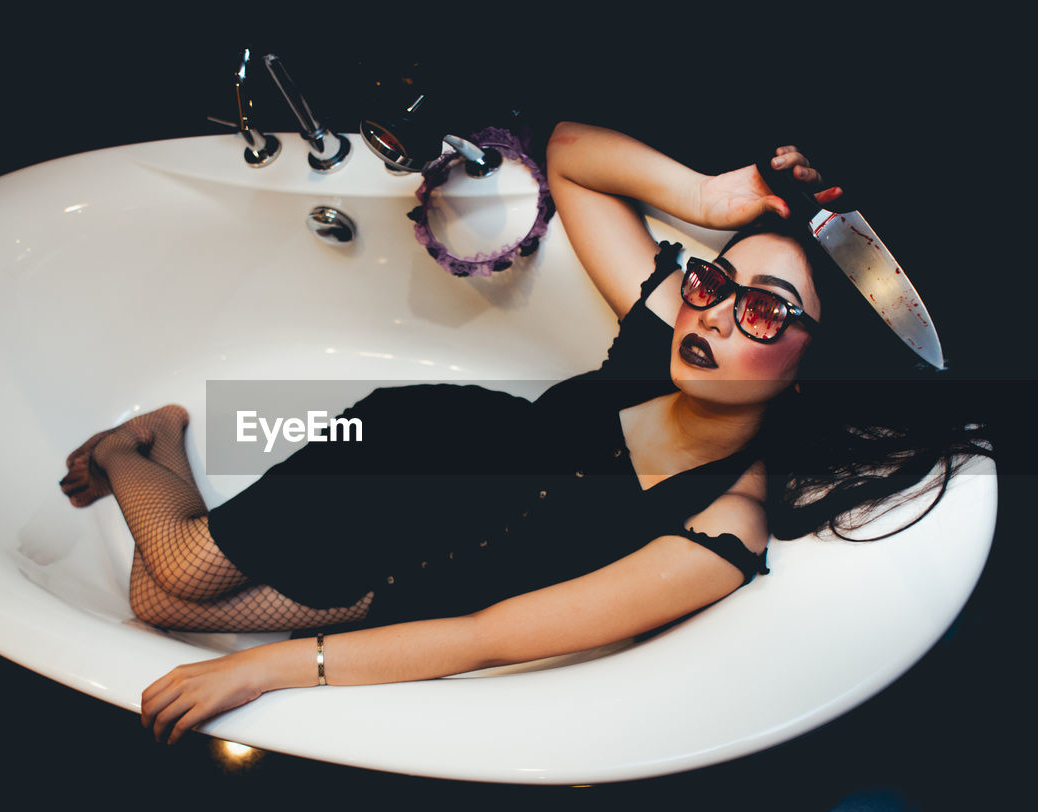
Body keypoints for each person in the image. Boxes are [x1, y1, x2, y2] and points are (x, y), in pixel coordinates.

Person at [58, 123, 988, 744]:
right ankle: (135, 443)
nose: (709, 315)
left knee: (155, 597)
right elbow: (571, 154)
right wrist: (710, 202)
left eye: (763, 312)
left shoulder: (724, 526)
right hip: (405, 454)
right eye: (712, 283)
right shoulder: (661, 329)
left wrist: (267, 672)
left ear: (812, 364)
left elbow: (490, 634)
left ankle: (155, 439)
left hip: (413, 578)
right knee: (176, 578)